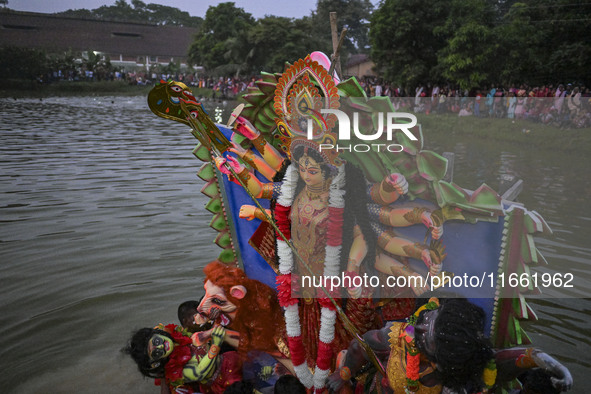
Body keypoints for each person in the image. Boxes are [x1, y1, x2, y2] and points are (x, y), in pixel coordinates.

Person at [327, 298, 573, 393]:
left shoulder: (458, 376)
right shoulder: (395, 337)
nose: (416, 330)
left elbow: (495, 362)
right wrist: (344, 373)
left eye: (425, 338)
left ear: (442, 360)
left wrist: (537, 358)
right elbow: (359, 348)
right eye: (425, 320)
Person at [124, 323, 242, 394]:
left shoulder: (180, 337)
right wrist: (216, 345)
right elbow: (200, 372)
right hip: (225, 380)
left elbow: (200, 338)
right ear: (156, 362)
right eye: (156, 353)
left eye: (156, 341)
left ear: (158, 333)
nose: (161, 346)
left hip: (229, 358)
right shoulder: (175, 372)